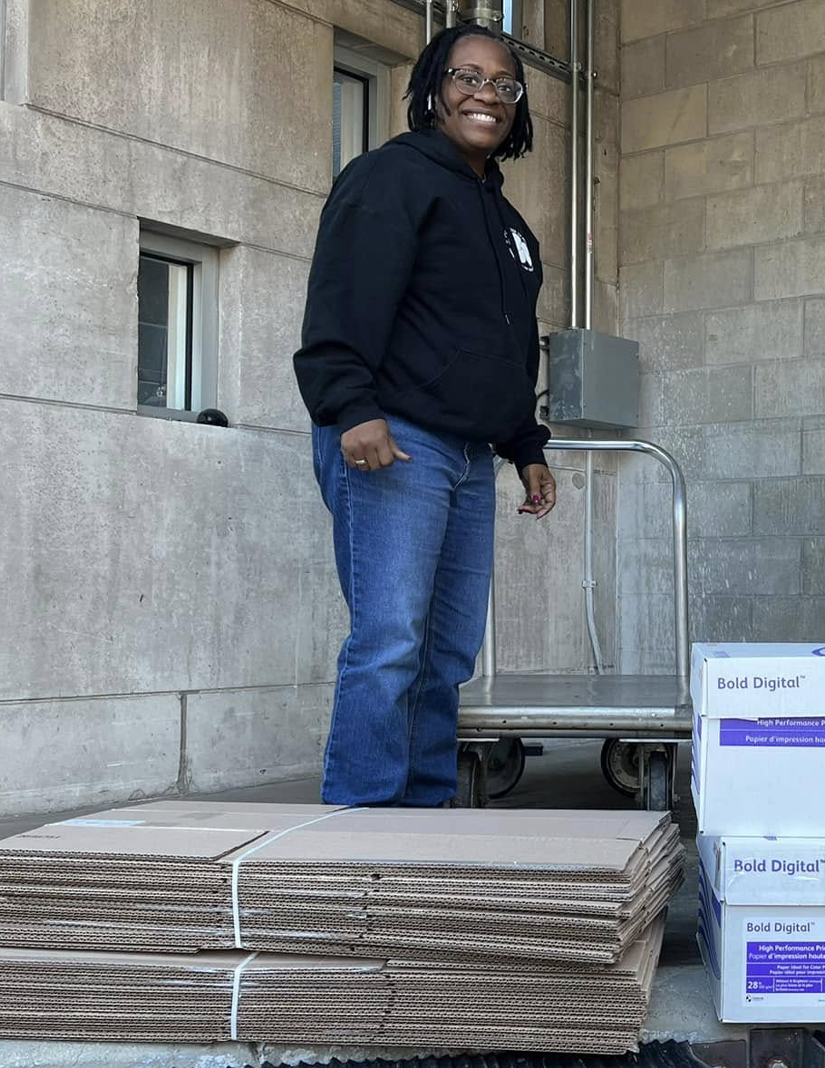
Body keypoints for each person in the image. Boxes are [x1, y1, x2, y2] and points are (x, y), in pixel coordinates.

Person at [292, 24, 556, 807]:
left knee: (446, 653)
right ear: (433, 87)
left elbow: (501, 346)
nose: (487, 94)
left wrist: (524, 444)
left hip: (470, 452)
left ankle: (425, 815)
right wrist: (351, 407)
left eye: (505, 85)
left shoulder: (507, 223)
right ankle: (363, 823)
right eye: (468, 76)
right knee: (389, 644)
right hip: (395, 438)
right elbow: (341, 297)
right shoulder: (390, 178)